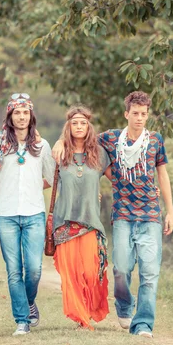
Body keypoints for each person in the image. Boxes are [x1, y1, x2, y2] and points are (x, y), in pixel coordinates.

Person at [53, 91, 173, 338]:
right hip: (122, 214)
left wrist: (170, 210)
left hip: (151, 214)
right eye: (135, 114)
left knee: (150, 274)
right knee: (120, 269)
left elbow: (162, 174)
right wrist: (58, 141)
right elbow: (79, 133)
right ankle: (124, 305)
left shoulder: (155, 141)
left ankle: (142, 325)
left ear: (147, 115)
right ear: (126, 114)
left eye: (144, 114)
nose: (140, 118)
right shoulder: (110, 138)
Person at [0, 93, 55, 336]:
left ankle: (29, 301)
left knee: (34, 268)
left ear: (31, 116)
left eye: (25, 112)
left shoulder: (41, 145)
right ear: (10, 116)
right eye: (16, 112)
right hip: (5, 214)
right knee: (14, 270)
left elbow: (52, 177)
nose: (21, 116)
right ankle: (22, 320)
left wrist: (31, 186)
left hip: (34, 213)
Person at [52, 106, 111, 330]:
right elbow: (46, 180)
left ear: (89, 127)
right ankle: (81, 318)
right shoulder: (59, 154)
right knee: (72, 274)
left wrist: (145, 190)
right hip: (64, 223)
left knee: (90, 271)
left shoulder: (99, 154)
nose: (78, 127)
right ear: (68, 127)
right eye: (74, 123)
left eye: (82, 123)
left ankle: (88, 310)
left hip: (90, 223)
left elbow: (117, 180)